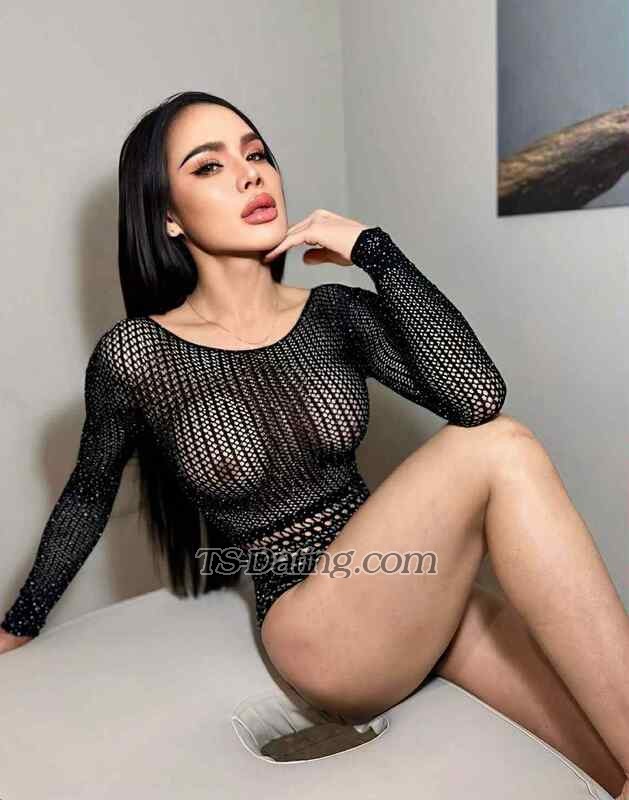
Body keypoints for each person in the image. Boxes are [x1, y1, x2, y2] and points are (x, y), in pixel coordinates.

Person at [1, 91, 627, 799]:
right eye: (209, 166)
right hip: (316, 631)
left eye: (256, 154)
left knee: (610, 761)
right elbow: (88, 494)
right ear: (168, 216)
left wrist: (375, 252)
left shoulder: (334, 312)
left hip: (413, 592)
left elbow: (477, 398)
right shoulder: (137, 354)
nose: (250, 173)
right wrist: (19, 622)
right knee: (502, 448)